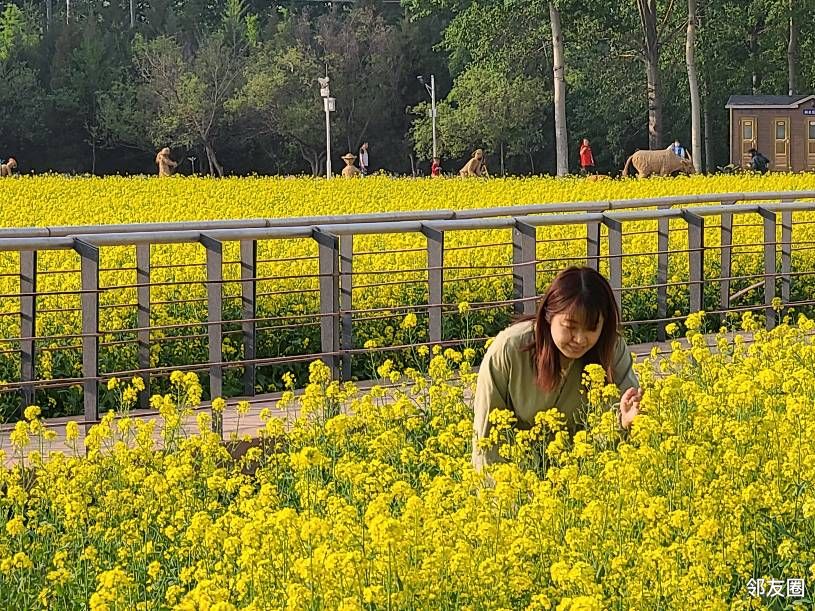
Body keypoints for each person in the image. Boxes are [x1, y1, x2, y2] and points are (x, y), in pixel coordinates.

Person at [472, 266, 642, 470]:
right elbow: (487, 440)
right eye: (570, 326)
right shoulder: (509, 349)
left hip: (583, 478)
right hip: (517, 479)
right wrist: (507, 495)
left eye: (591, 328)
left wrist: (623, 423)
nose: (579, 339)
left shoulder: (611, 349)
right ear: (548, 314)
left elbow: (614, 433)